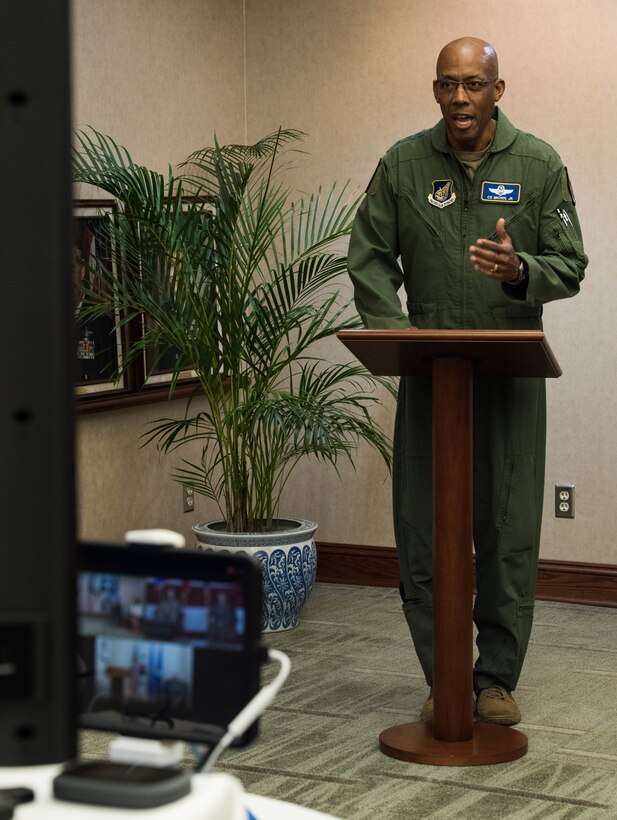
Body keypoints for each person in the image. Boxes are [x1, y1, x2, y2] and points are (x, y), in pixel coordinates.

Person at [347, 37, 587, 725]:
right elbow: (366, 256)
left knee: (506, 527)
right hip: (430, 377)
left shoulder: (538, 164)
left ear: (497, 90)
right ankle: (444, 673)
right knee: (423, 529)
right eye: (447, 85)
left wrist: (520, 273)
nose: (459, 98)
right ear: (435, 91)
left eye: (473, 84)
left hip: (511, 375)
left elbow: (570, 263)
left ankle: (494, 681)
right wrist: (396, 338)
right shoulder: (401, 163)